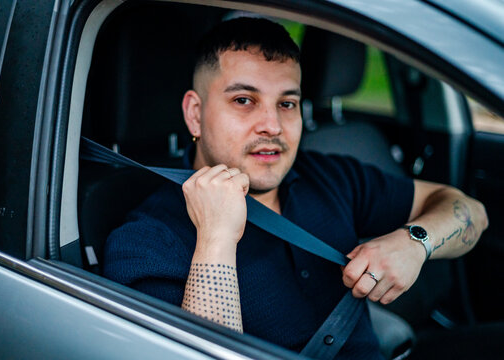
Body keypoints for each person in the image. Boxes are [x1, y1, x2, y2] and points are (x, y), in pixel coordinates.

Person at [103, 17, 488, 358]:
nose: (272, 124)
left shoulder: (330, 176)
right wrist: (215, 241)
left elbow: (471, 211)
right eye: (243, 100)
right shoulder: (147, 240)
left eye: (287, 104)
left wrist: (415, 241)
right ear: (195, 114)